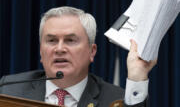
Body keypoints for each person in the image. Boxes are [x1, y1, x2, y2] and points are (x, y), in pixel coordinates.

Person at [0, 6, 156, 107]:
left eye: (70, 40)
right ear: (41, 52)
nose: (59, 49)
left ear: (92, 51)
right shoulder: (9, 90)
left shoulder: (116, 100)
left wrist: (137, 77)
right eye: (52, 40)